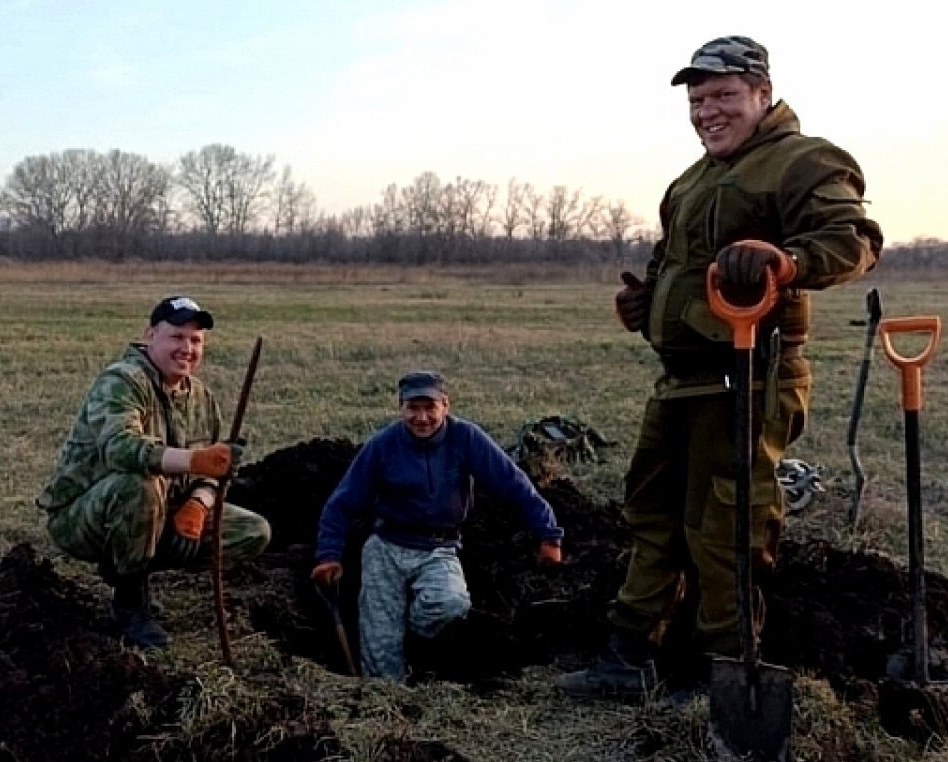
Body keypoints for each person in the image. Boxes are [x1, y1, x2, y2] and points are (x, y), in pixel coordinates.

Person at [557, 36, 883, 699]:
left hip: (750, 376)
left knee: (726, 528)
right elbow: (670, 263)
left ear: (762, 94)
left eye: (723, 96)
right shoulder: (691, 180)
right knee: (651, 515)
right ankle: (628, 656)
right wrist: (650, 303)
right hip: (681, 380)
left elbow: (853, 241)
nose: (708, 112)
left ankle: (722, 675)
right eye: (698, 101)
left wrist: (785, 262)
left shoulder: (802, 160)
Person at [37, 296, 271, 649]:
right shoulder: (122, 381)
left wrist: (199, 503)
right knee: (140, 483)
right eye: (177, 337)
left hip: (164, 510)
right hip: (84, 516)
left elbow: (216, 470)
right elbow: (121, 449)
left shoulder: (203, 399)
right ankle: (129, 602)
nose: (187, 349)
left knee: (254, 531)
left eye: (195, 341)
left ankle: (136, 560)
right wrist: (193, 461)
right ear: (150, 336)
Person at [310, 370, 565, 681]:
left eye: (429, 407)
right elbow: (342, 503)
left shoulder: (467, 439)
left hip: (438, 547)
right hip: (386, 546)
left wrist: (548, 536)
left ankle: (413, 639)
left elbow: (515, 485)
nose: (421, 417)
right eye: (412, 408)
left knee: (451, 603)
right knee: (380, 650)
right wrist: (328, 556)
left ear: (446, 405)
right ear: (400, 408)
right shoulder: (382, 445)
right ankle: (386, 701)